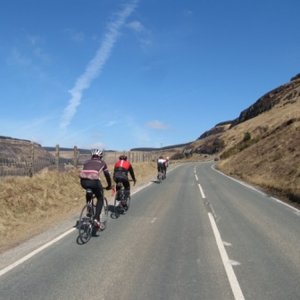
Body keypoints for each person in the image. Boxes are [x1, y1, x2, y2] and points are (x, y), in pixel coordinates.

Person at [79, 148, 112, 230]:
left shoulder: (86, 162)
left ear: (92, 156)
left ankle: (89, 208)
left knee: (89, 191)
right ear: (100, 156)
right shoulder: (102, 163)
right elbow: (107, 175)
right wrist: (109, 185)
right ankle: (96, 219)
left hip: (83, 182)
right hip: (94, 182)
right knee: (100, 198)